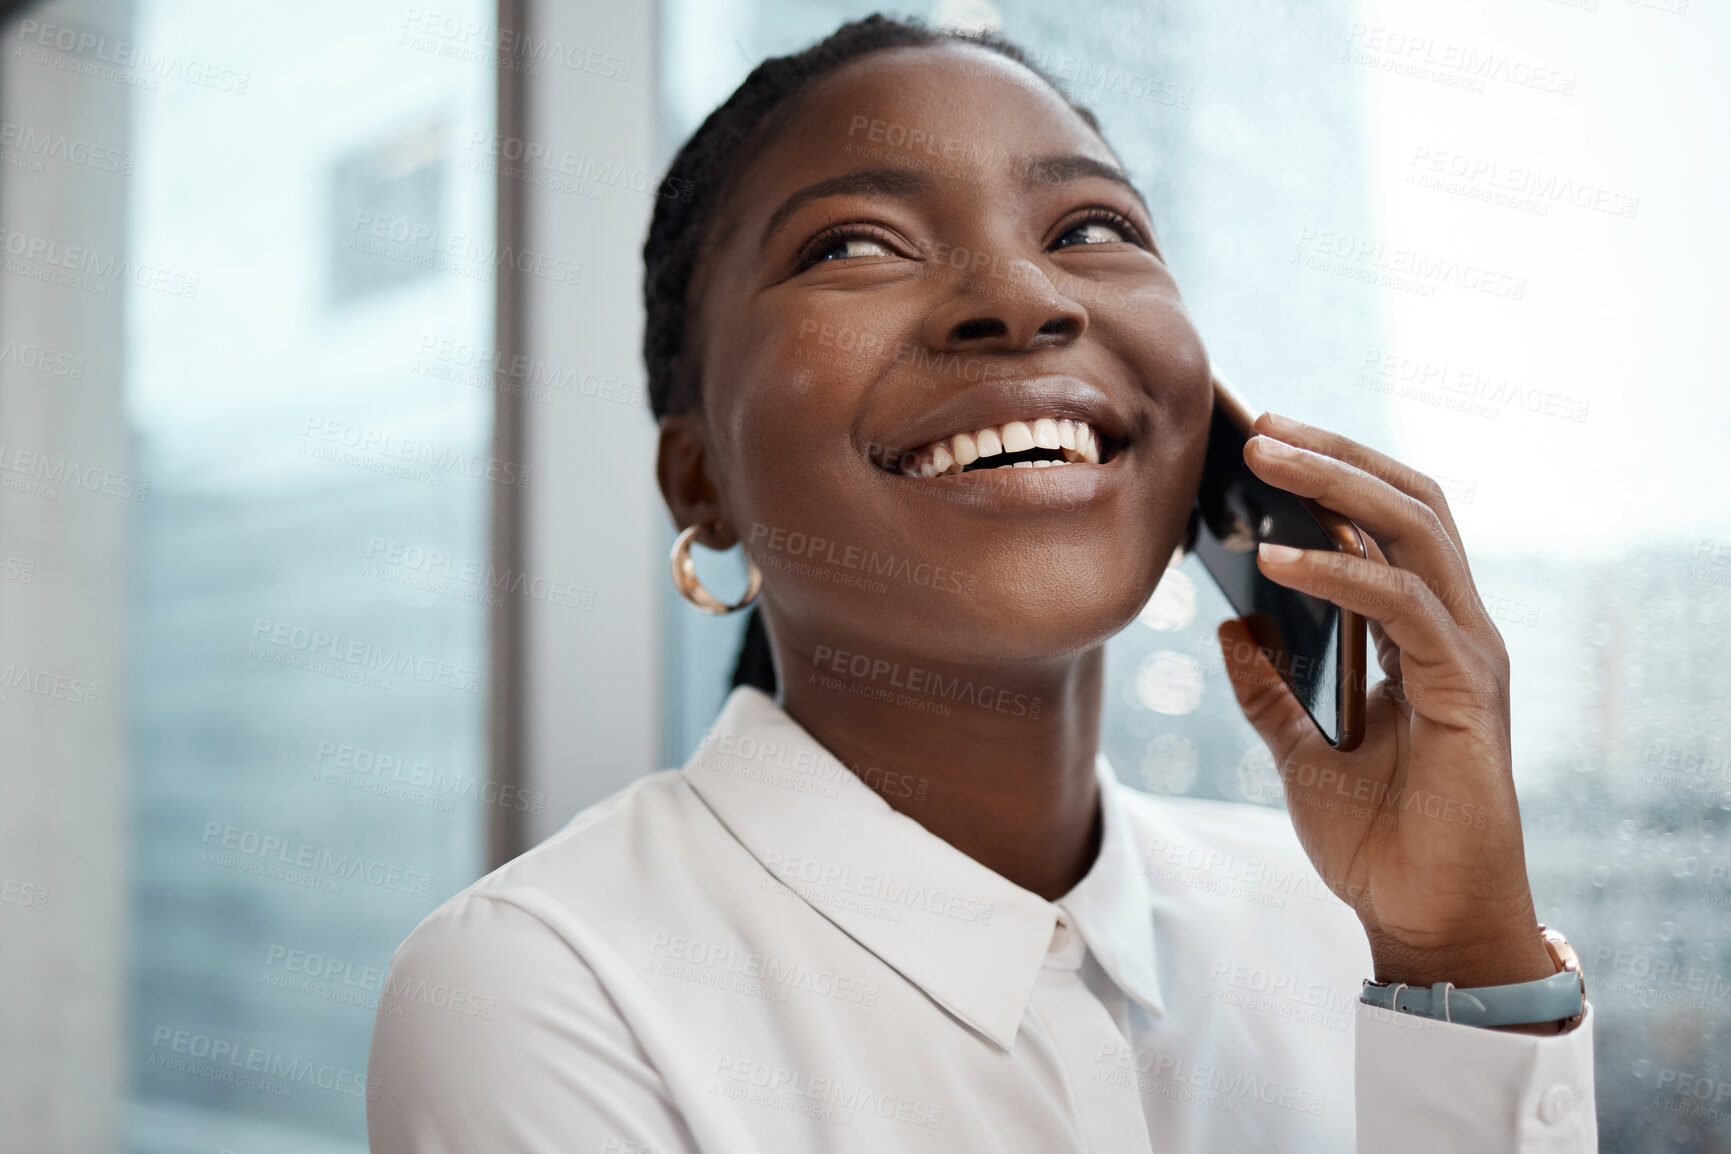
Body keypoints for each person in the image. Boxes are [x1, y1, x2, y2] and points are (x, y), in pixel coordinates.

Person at [366, 15, 1595, 1152]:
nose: (1021, 297)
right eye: (853, 245)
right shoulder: (543, 984)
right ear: (702, 482)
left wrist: (1462, 960)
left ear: (1212, 440)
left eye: (1091, 230)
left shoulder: (1341, 931)